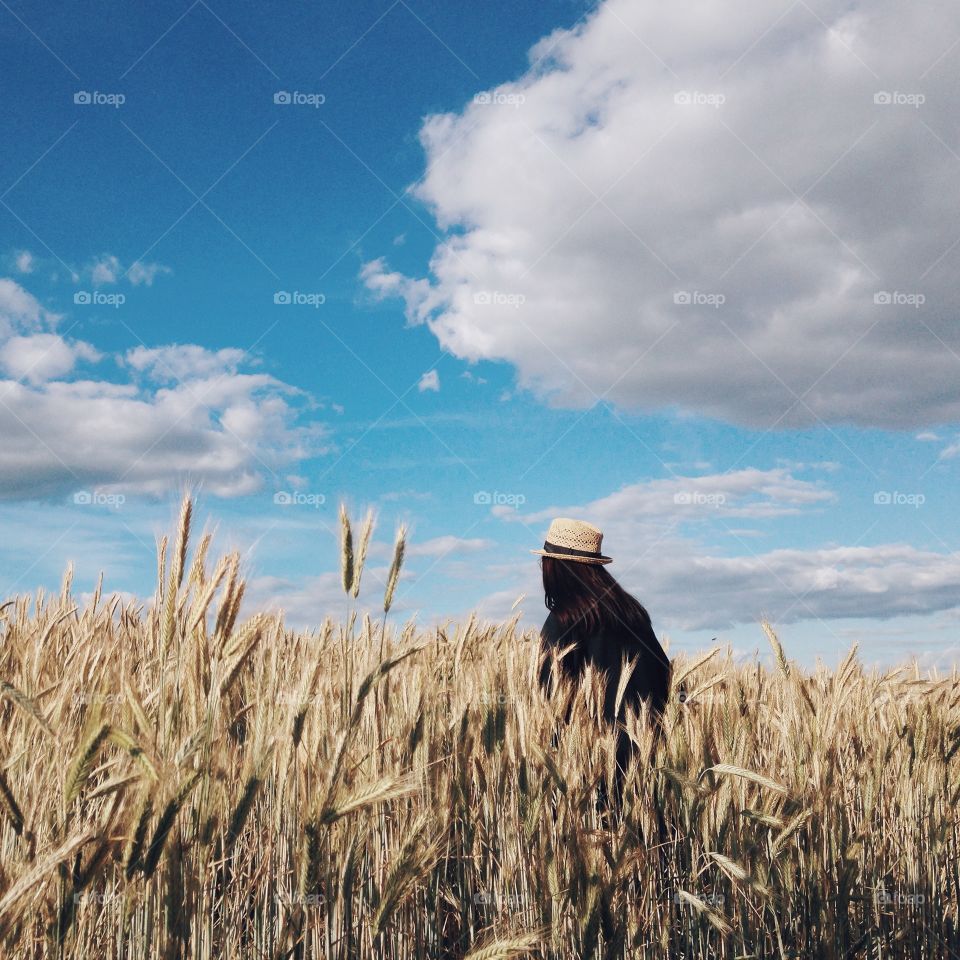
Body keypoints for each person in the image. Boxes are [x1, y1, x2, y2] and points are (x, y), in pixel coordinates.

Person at [533, 517, 671, 808]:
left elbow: (551, 702)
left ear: (556, 568)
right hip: (647, 765)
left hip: (592, 773)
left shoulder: (565, 620)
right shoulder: (633, 614)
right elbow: (662, 673)